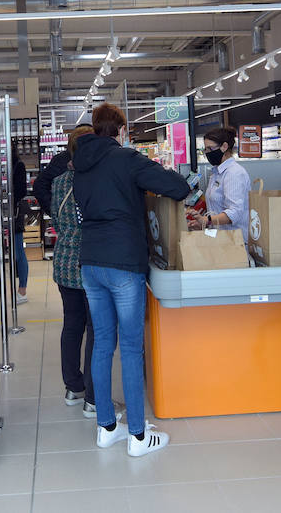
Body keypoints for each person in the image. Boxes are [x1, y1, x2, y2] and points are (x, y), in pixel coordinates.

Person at [73, 103, 191, 457]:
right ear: (121, 130)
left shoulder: (80, 165)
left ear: (94, 129)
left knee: (102, 344)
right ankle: (139, 435)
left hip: (90, 261)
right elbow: (177, 186)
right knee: (130, 347)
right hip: (123, 261)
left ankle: (107, 427)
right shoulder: (126, 158)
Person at [51, 126, 98, 415]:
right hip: (90, 261)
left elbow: (56, 219)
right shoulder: (91, 180)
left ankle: (73, 386)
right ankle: (93, 395)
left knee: (71, 325)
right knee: (95, 329)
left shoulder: (58, 183)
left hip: (64, 260)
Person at [189, 128, 251, 248]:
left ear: (224, 146)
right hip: (219, 239)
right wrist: (203, 223)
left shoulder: (234, 173)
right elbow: (216, 209)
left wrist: (207, 220)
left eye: (210, 149)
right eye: (205, 149)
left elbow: (235, 212)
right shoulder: (217, 172)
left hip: (234, 243)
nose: (207, 153)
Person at [33, 122, 95, 214]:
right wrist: (54, 211)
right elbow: (40, 185)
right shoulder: (62, 160)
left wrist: (55, 211)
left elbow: (39, 185)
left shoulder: (60, 160)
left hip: (72, 219)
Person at [12, 156, 30, 304]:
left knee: (18, 253)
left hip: (13, 213)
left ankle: (22, 290)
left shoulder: (18, 165)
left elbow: (21, 191)